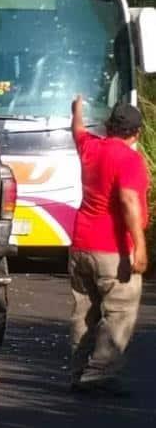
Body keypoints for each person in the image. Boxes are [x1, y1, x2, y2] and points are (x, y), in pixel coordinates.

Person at [69, 96, 150, 394]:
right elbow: (129, 201)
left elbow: (76, 128)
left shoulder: (90, 147)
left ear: (107, 127)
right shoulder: (130, 160)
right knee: (119, 312)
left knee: (83, 312)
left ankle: (78, 371)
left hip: (80, 246)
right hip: (112, 250)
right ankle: (98, 374)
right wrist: (139, 246)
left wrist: (77, 108)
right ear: (137, 133)